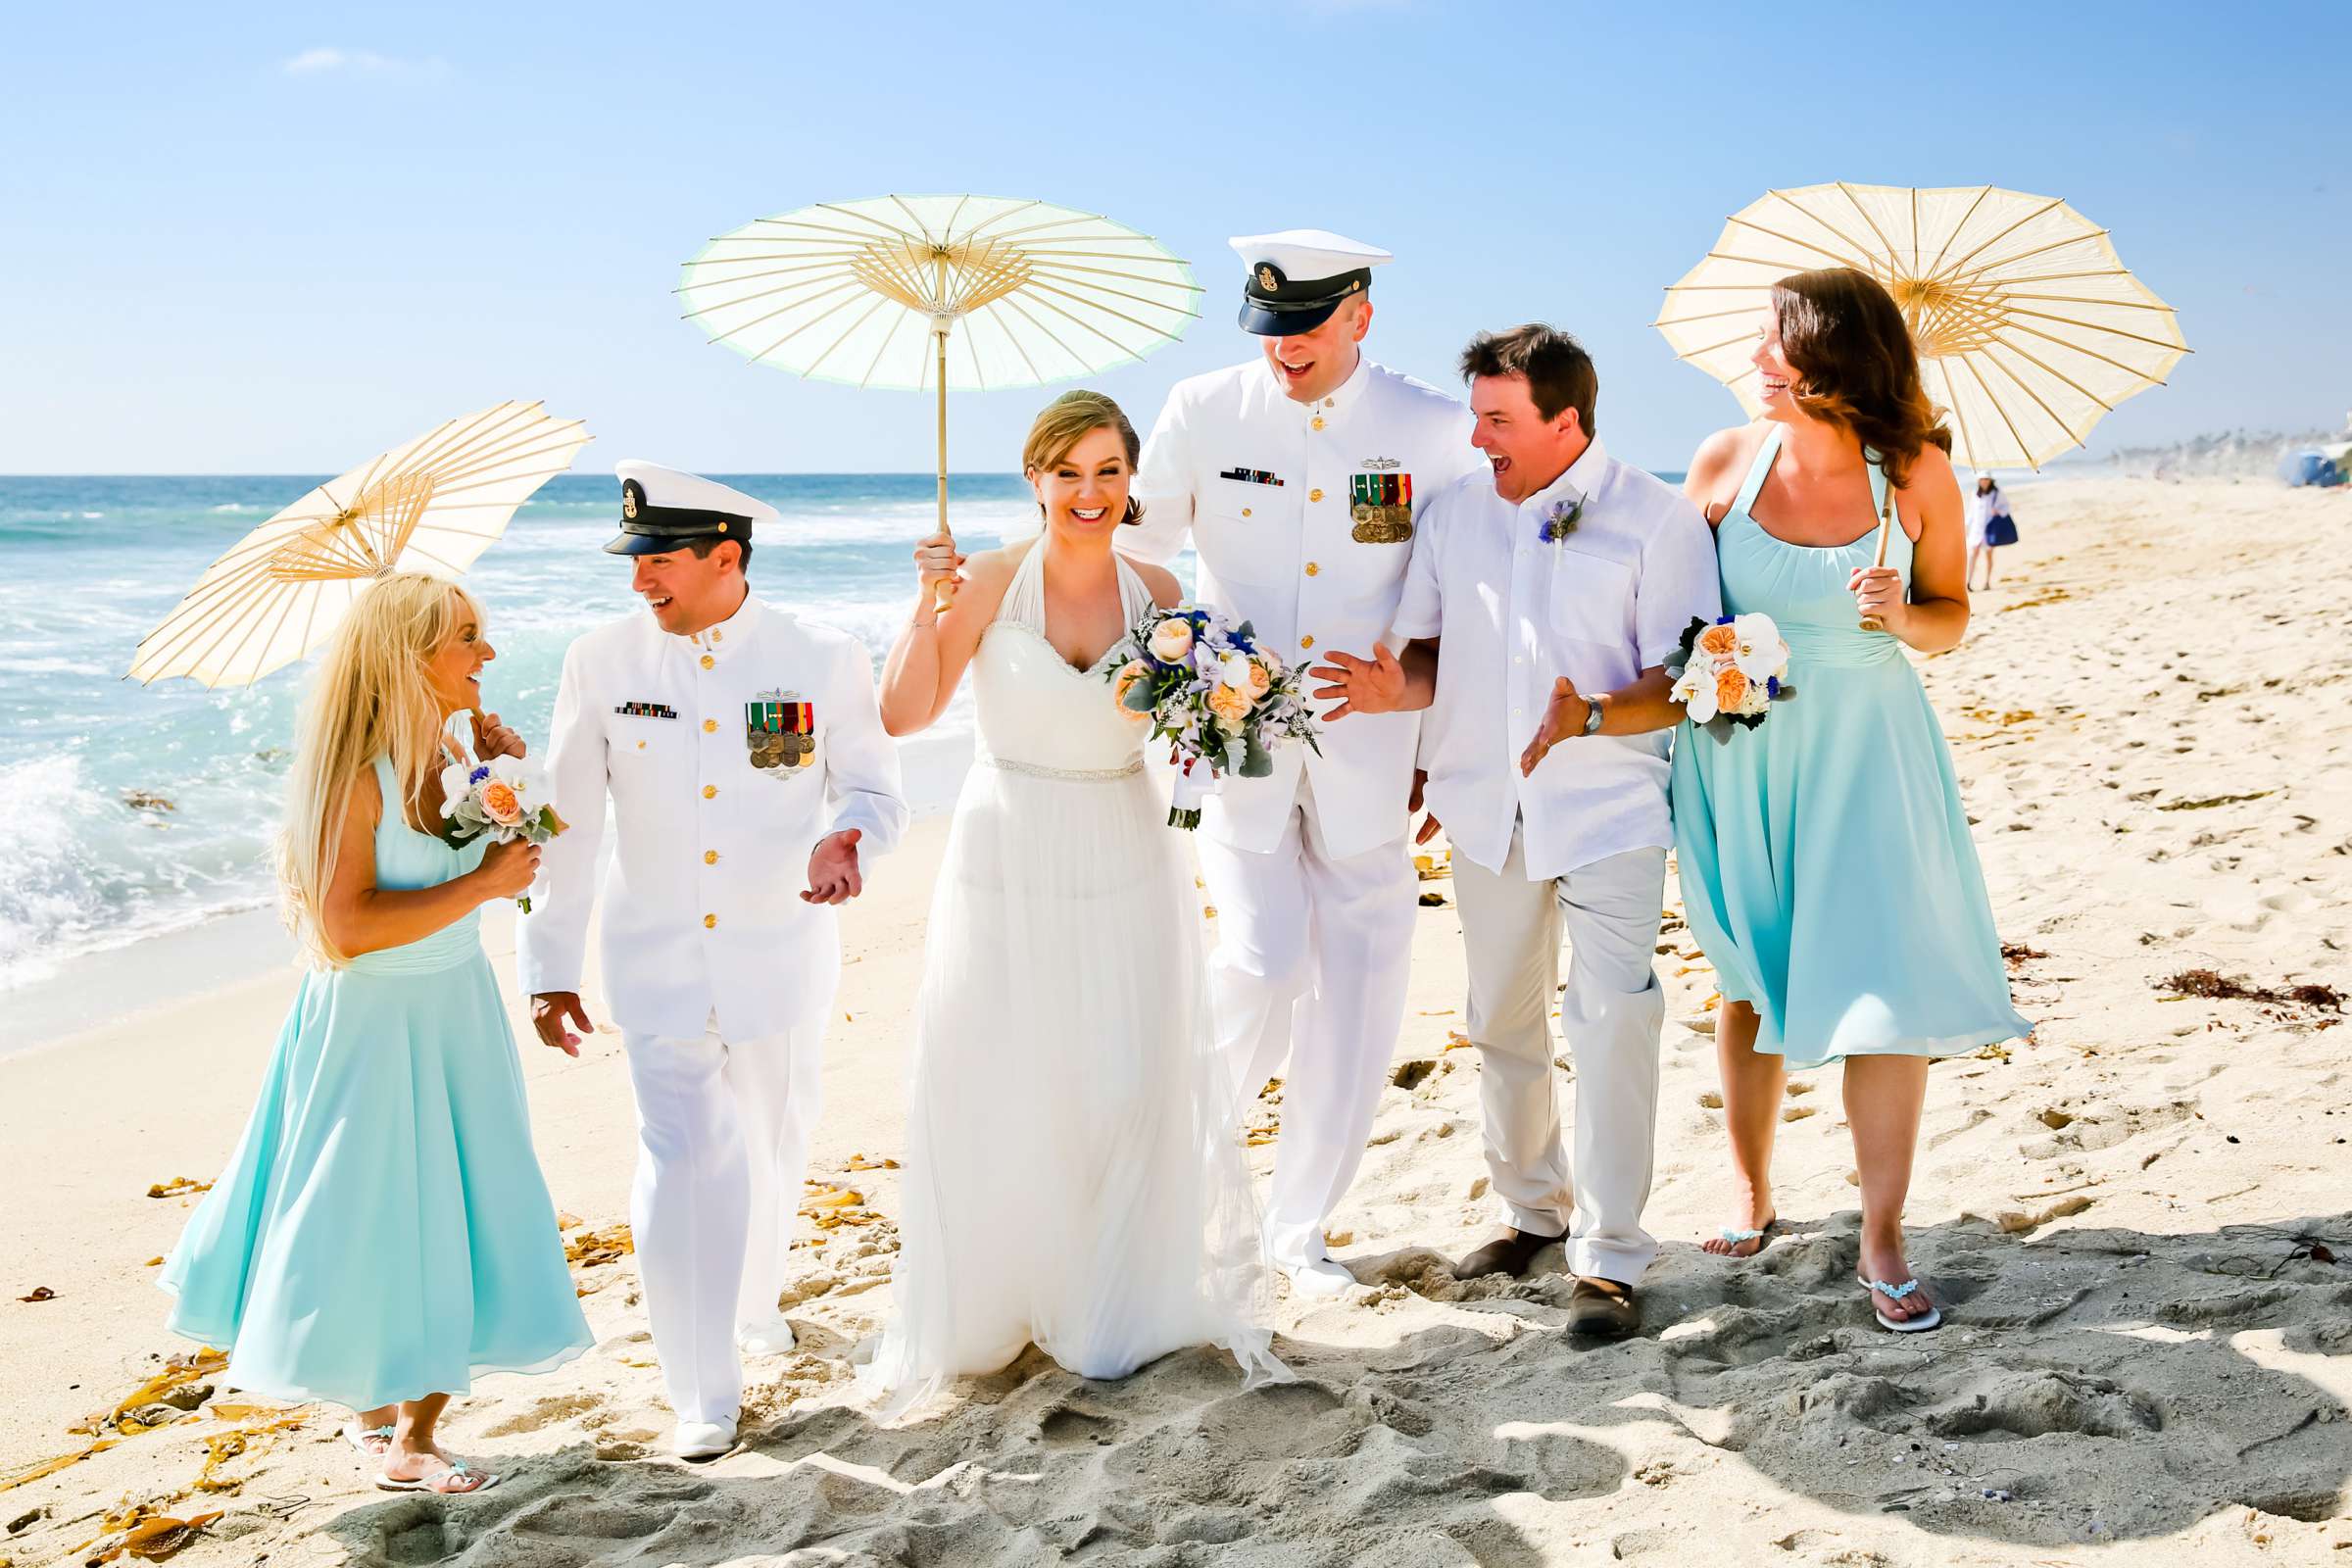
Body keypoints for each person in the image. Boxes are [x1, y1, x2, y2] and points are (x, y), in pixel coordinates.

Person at [865, 390, 1287, 1413]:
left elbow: (1190, 728)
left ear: (1132, 479)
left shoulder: (1159, 587)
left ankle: (1112, 1305)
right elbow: (903, 712)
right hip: (1006, 848)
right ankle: (1005, 1297)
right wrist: (924, 609)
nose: (1089, 492)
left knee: (1120, 1075)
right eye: (1068, 473)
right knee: (1007, 1072)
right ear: (1034, 478)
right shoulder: (989, 582)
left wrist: (1229, 716)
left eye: (1107, 471)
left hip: (1124, 844)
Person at [1309, 326, 1720, 1337]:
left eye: (1499, 418)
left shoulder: (1657, 521)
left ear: (1565, 420)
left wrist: (1588, 714)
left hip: (1609, 808)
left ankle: (1612, 1254)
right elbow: (1429, 657)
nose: (1478, 436)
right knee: (1501, 1019)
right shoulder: (1452, 515)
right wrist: (1384, 689)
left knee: (1614, 1018)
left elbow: (1688, 678)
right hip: (1483, 810)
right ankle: (1534, 1213)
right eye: (1477, 415)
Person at [161, 572, 592, 1496]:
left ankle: (415, 1432)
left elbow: (523, 864)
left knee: (467, 1204)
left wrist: (506, 783)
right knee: (373, 1216)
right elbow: (346, 929)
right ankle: (381, 1419)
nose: (486, 654)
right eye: (468, 638)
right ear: (410, 656)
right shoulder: (353, 779)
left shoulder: (458, 751)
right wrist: (480, 882)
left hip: (454, 1009)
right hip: (366, 1022)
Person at [517, 464, 907, 1458]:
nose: (639, 578)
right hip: (652, 960)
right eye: (633, 558)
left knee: (772, 1143)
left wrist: (849, 837)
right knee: (682, 1154)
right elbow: (567, 822)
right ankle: (702, 1388)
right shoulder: (600, 661)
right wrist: (548, 962)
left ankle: (752, 1303)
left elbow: (873, 787)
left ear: (724, 556)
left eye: (657, 559)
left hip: (779, 955)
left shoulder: (819, 654)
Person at [1120, 230, 1484, 1297]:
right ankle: (1190, 1195)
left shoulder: (1432, 428)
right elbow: (1141, 549)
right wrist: (1183, 653)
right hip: (1237, 747)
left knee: (1362, 996)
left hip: (1377, 750)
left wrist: (1436, 725)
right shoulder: (1203, 408)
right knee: (1262, 963)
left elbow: (1468, 582)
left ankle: (1299, 1229)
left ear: (1360, 316)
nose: (1285, 350)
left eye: (1308, 328)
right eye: (1270, 329)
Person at [1673, 269, 2031, 1332]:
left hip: (1869, 748)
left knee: (1882, 988)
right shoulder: (1725, 460)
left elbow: (1953, 616)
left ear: (1830, 359)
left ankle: (1882, 1233)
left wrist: (1900, 615)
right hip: (1743, 749)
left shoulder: (1915, 473)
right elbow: (1667, 608)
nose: (1755, 363)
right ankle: (1751, 1188)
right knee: (1752, 976)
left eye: (1773, 346)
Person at [1964, 475, 2014, 589]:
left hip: (1990, 529)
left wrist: (1998, 511)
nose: (1984, 481)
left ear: (1990, 481)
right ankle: (1969, 582)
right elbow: (1971, 511)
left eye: (1986, 479)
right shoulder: (1975, 493)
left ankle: (1987, 582)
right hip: (1976, 529)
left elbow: (2006, 507)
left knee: (1988, 556)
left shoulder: (1996, 492)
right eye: (1982, 479)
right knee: (1973, 554)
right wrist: (1966, 526)